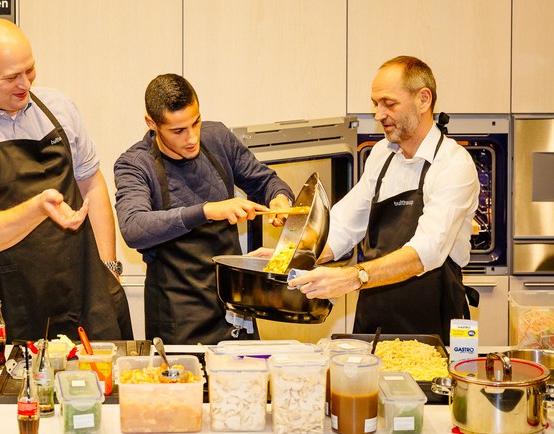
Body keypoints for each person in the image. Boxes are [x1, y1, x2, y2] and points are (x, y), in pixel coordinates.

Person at [0, 19, 132, 343]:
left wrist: (108, 267)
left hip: (80, 289)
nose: (24, 83)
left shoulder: (58, 107)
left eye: (30, 70)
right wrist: (37, 208)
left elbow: (91, 183)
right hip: (5, 302)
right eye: (11, 77)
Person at [289, 56, 479, 344]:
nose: (378, 115)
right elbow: (343, 225)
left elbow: (425, 251)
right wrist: (292, 255)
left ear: (423, 99)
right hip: (373, 319)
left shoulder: (453, 164)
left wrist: (352, 277)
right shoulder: (382, 154)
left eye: (389, 104)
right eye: (376, 104)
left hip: (432, 321)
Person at [114, 73, 294, 344]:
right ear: (152, 123)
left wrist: (279, 197)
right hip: (177, 315)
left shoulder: (218, 138)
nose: (192, 137)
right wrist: (207, 211)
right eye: (178, 131)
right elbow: (134, 228)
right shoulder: (135, 164)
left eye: (196, 122)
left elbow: (265, 181)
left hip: (234, 303)